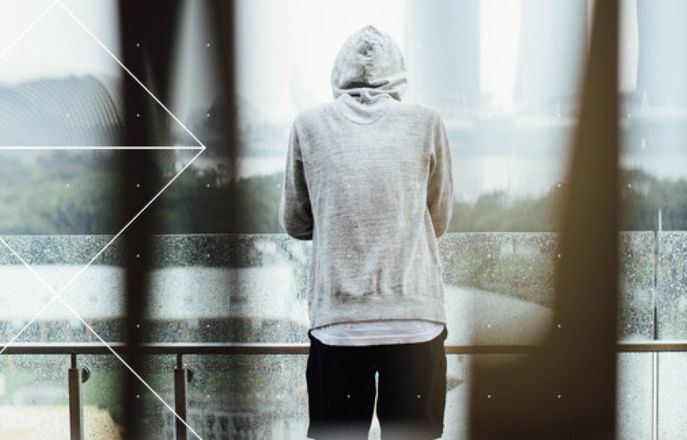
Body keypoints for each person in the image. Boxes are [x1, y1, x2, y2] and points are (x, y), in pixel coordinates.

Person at [279, 25, 453, 440]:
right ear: (399, 76)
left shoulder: (308, 125)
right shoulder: (427, 123)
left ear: (338, 74)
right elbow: (439, 219)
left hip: (338, 324)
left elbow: (295, 221)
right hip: (415, 321)